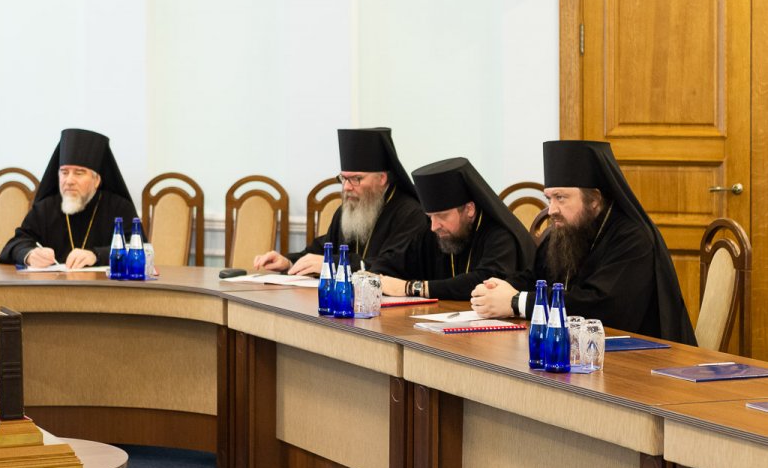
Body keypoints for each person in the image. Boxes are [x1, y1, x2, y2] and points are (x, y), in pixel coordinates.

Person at [470, 140, 695, 344]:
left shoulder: (633, 239)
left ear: (594, 199)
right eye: (549, 198)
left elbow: (599, 306)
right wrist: (495, 289)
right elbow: (535, 279)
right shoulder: (566, 232)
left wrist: (517, 302)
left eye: (560, 198)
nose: (552, 210)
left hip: (638, 358)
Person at [253, 128, 427, 275]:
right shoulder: (350, 209)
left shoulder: (410, 213)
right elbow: (323, 249)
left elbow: (393, 264)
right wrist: (288, 261)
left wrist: (333, 265)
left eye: (356, 179)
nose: (346, 187)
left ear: (382, 178)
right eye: (343, 178)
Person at [371, 157, 535, 300]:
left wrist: (412, 288)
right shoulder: (433, 233)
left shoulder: (500, 235)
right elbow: (393, 263)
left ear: (469, 209)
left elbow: (485, 282)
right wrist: (371, 277)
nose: (434, 226)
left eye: (442, 216)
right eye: (430, 217)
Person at [0, 128, 140, 269]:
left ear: (96, 180)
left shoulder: (119, 207)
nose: (69, 181)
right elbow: (16, 243)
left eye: (79, 173)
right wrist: (29, 254)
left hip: (102, 284)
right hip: (52, 284)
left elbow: (140, 248)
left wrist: (97, 255)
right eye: (64, 172)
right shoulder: (45, 208)